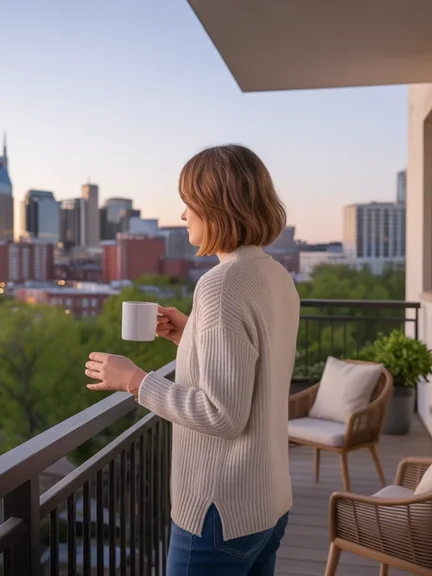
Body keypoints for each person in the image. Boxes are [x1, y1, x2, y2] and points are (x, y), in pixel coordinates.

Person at [84, 144, 300, 575]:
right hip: (268, 502)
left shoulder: (222, 284)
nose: (183, 215)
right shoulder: (273, 275)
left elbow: (222, 414)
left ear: (217, 206)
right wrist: (191, 338)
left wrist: (135, 381)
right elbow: (253, 374)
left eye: (189, 203)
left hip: (220, 510)